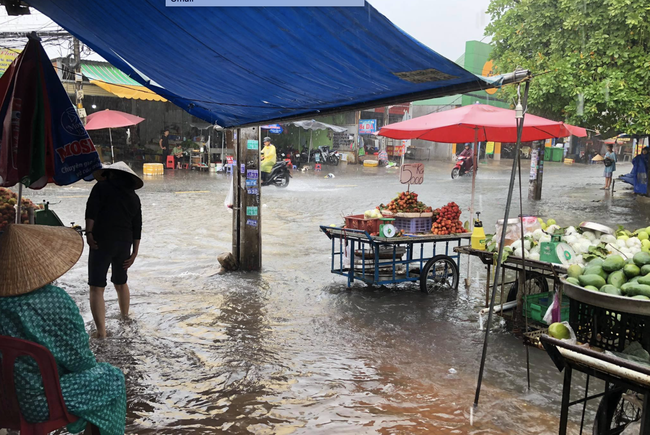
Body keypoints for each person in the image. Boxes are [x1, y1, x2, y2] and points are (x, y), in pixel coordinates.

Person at [0, 224, 126, 435]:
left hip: (3, 399)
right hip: (38, 404)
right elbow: (81, 362)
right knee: (111, 378)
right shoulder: (55, 300)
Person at [85, 161, 143, 338]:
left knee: (96, 287)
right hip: (124, 243)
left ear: (110, 174)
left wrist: (88, 233)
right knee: (121, 282)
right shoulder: (133, 197)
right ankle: (125, 318)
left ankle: (101, 332)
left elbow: (91, 212)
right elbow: (137, 226)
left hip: (102, 241)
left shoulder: (101, 188)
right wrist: (135, 252)